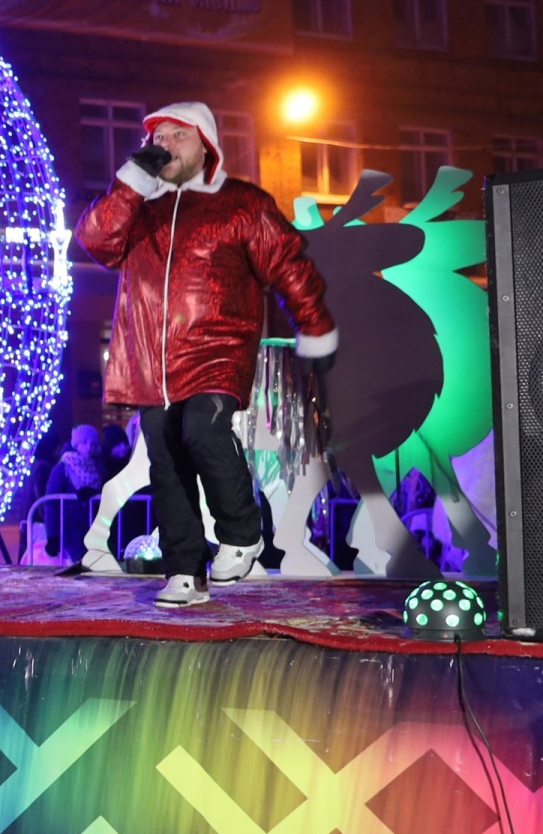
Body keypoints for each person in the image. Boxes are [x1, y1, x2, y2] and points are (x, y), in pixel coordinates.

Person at [76, 102, 336, 607]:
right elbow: (94, 241)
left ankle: (242, 532)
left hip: (217, 349)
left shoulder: (241, 204)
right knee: (165, 458)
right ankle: (184, 571)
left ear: (207, 145)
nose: (165, 144)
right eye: (158, 136)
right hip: (152, 361)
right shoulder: (139, 209)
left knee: (202, 429)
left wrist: (315, 324)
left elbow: (287, 263)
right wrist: (129, 183)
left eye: (178, 135)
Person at [42, 423, 104, 561]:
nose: (89, 447)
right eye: (84, 442)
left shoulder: (98, 468)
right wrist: (52, 536)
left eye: (93, 444)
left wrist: (94, 495)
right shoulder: (64, 467)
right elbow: (51, 503)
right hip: (69, 532)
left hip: (91, 532)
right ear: (76, 444)